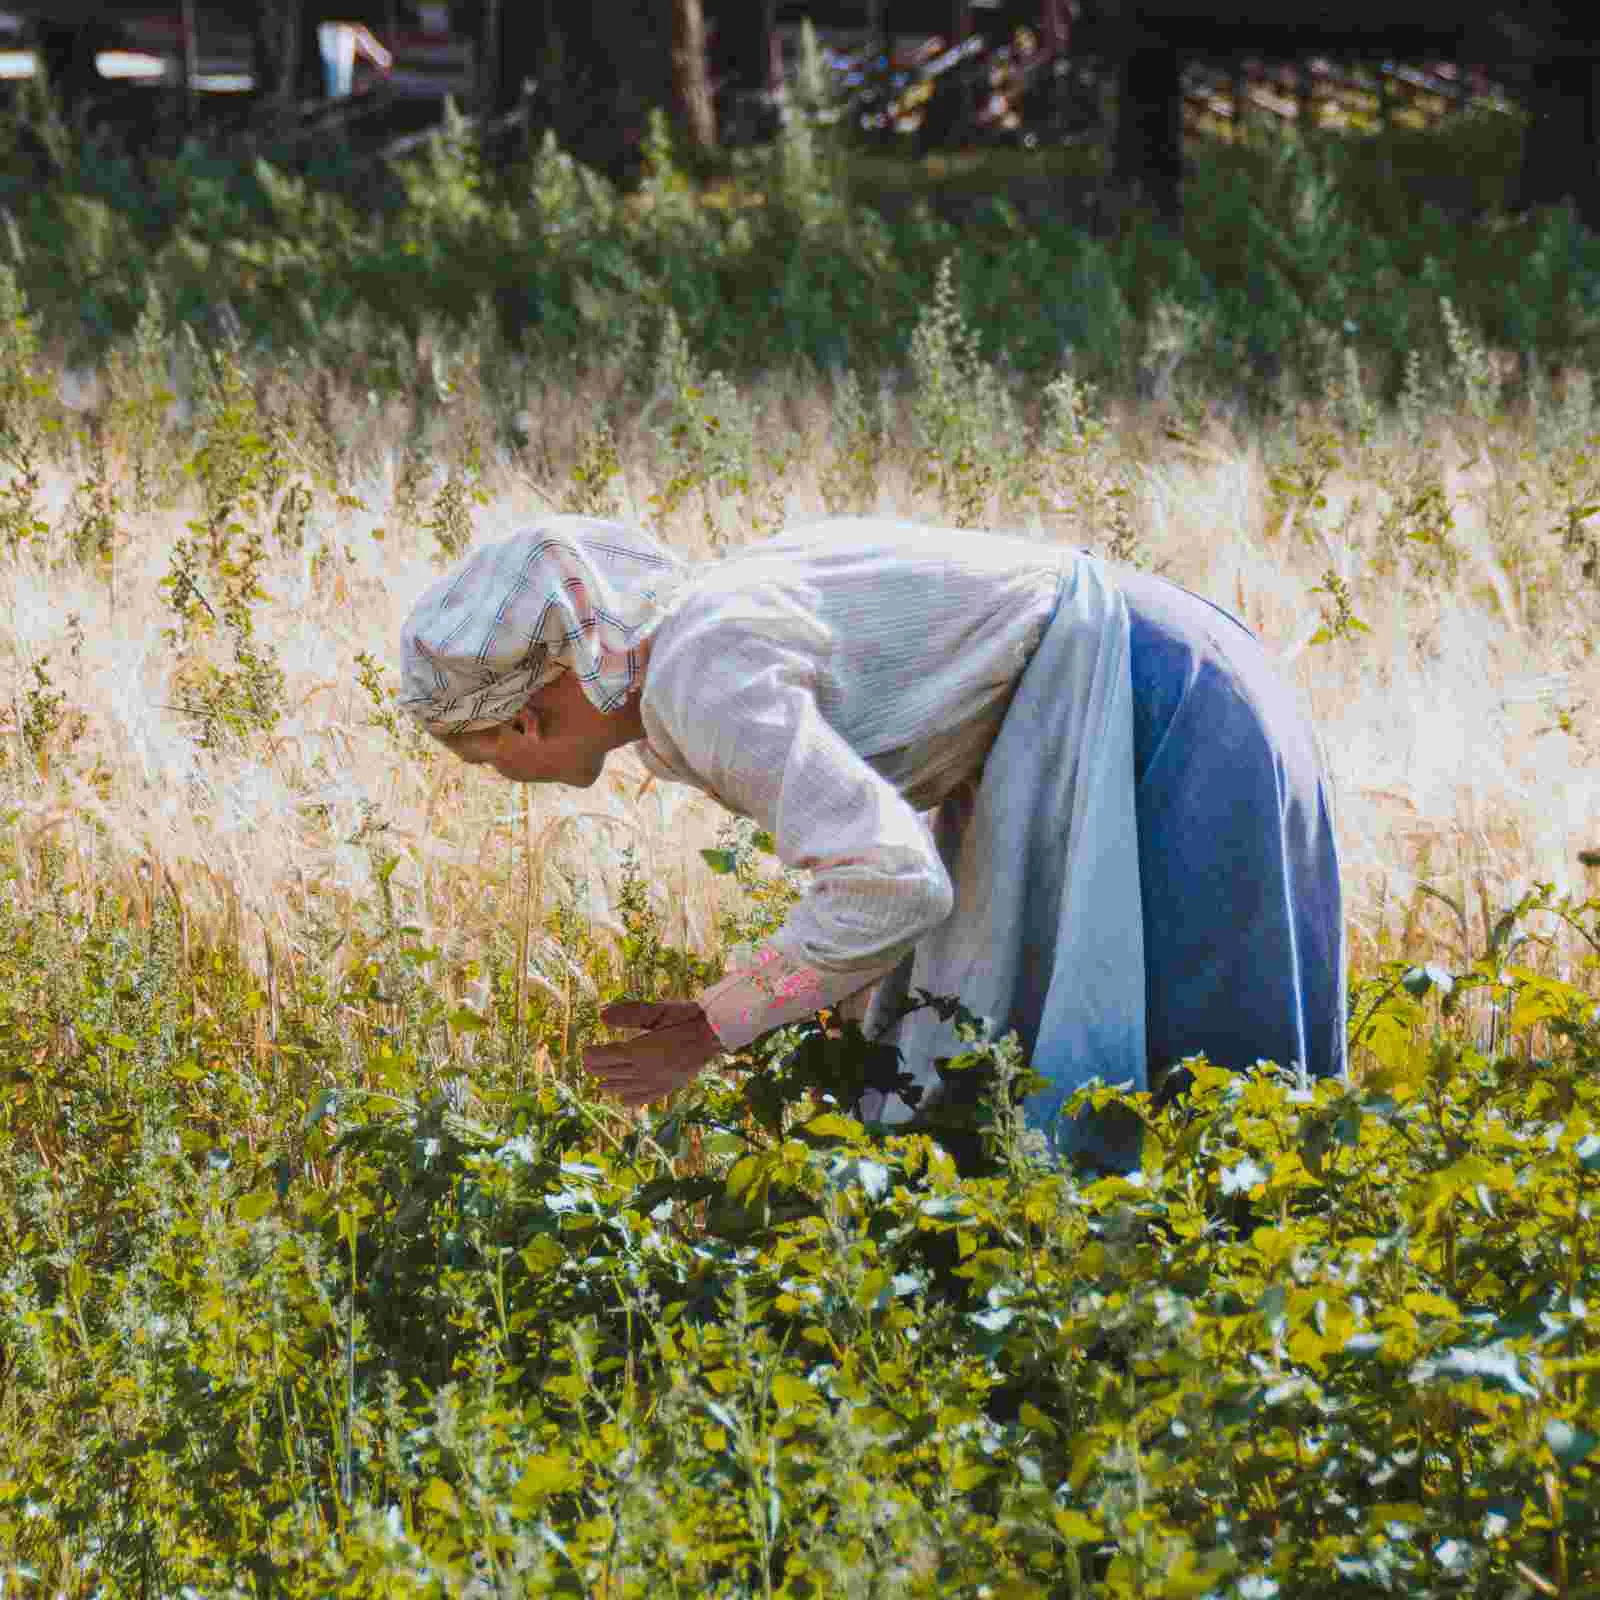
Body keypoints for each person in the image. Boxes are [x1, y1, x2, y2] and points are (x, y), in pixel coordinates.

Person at [400, 515, 1346, 1170]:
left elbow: (893, 885)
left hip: (1160, 708)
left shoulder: (702, 679)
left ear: (525, 723)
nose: (503, 776)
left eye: (484, 758)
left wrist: (714, 1022)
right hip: (1167, 668)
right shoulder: (690, 653)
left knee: (1206, 1098)